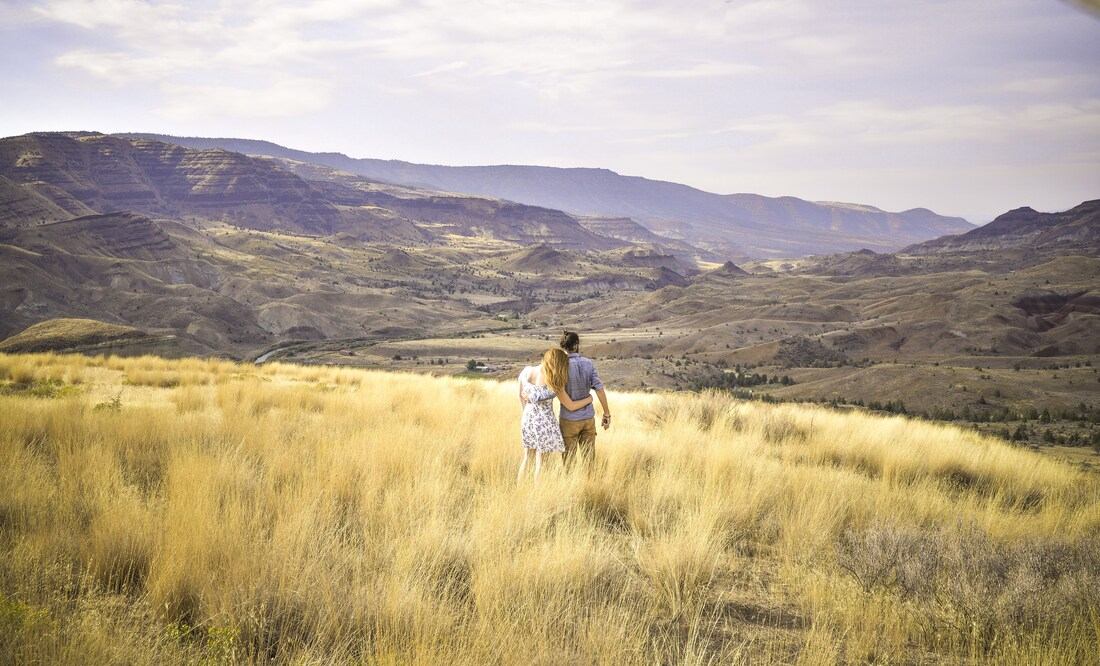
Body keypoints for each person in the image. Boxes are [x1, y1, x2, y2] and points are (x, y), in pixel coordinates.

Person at [517, 348, 593, 480]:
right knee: (542, 462)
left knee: (528, 458)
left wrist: (527, 413)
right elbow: (571, 405)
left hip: (527, 418)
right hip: (544, 423)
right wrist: (589, 399)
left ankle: (520, 490)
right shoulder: (553, 382)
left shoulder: (527, 371)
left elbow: (520, 396)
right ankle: (538, 495)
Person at [558, 331, 610, 468]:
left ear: (564, 347)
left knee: (569, 461)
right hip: (588, 418)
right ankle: (590, 485)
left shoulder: (561, 366)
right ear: (576, 345)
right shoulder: (588, 363)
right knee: (589, 460)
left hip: (568, 419)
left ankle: (572, 487)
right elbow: (599, 388)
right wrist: (606, 413)